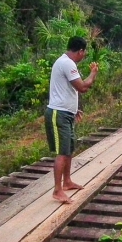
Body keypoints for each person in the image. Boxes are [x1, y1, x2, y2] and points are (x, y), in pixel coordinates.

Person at [44, 36, 99, 203]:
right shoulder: (67, 64)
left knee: (68, 149)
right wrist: (93, 74)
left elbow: (72, 89)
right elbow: (82, 87)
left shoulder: (66, 63)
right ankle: (57, 190)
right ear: (80, 51)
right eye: (84, 52)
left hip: (66, 113)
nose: (84, 56)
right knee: (62, 152)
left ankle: (67, 182)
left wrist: (74, 110)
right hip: (58, 114)